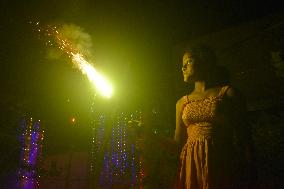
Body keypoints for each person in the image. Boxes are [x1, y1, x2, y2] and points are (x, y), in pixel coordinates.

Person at [174, 44, 253, 189]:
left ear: (204, 61)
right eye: (182, 64)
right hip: (191, 165)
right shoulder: (182, 103)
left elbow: (245, 137)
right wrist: (147, 134)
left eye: (188, 62)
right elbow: (177, 143)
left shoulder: (228, 94)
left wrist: (249, 170)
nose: (183, 68)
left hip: (221, 160)